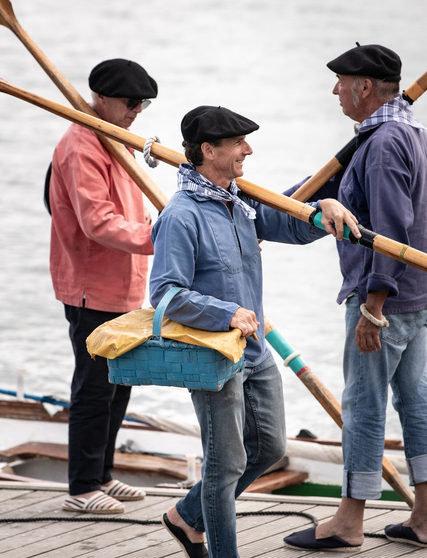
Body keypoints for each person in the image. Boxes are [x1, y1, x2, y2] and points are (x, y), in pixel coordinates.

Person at [150, 105, 360, 558]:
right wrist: (225, 313)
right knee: (225, 467)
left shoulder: (238, 199)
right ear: (209, 150)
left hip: (255, 350)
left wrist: (321, 205)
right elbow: (165, 295)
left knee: (267, 447)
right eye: (238, 143)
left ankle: (186, 516)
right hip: (212, 355)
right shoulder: (181, 216)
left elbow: (287, 220)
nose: (249, 149)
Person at [284, 44, 427, 551]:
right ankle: (424, 517)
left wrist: (373, 307)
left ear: (365, 88)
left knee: (363, 403)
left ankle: (350, 521)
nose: (334, 91)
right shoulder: (409, 132)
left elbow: (392, 229)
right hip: (416, 294)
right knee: (416, 399)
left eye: (340, 82)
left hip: (386, 297)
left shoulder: (383, 143)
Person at [48, 58, 157, 514]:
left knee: (120, 383)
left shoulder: (119, 142)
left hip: (128, 283)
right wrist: (158, 236)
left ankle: (104, 474)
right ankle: (82, 488)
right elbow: (97, 223)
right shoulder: (81, 146)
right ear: (104, 99)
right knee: (94, 387)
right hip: (92, 285)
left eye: (143, 104)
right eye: (131, 103)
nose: (137, 111)